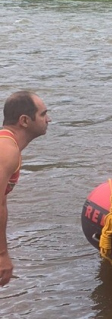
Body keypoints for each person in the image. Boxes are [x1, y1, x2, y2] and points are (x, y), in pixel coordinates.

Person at [1, 91, 51, 287]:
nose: (49, 119)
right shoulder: (6, 149)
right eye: (43, 114)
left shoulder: (8, 145)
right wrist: (2, 254)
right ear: (24, 121)